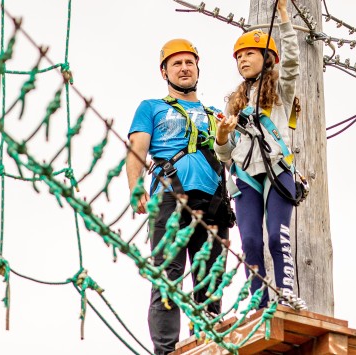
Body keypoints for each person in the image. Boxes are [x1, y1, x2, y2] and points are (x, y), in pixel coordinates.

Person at [125, 38, 234, 355]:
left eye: (189, 62)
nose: (184, 68)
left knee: (210, 277)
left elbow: (230, 156)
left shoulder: (215, 115)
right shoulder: (152, 108)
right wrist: (135, 188)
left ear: (198, 68)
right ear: (165, 72)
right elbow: (137, 150)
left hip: (213, 201)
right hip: (170, 198)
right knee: (167, 279)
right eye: (177, 63)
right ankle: (166, 351)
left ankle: (208, 340)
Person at [214, 0, 306, 309]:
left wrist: (283, 17)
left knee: (275, 236)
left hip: (278, 172)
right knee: (250, 241)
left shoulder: (281, 91)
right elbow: (225, 156)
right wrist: (223, 136)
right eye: (238, 56)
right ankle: (259, 301)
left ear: (267, 57)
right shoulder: (234, 104)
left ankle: (286, 294)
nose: (242, 60)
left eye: (249, 53)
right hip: (244, 177)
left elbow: (292, 61)